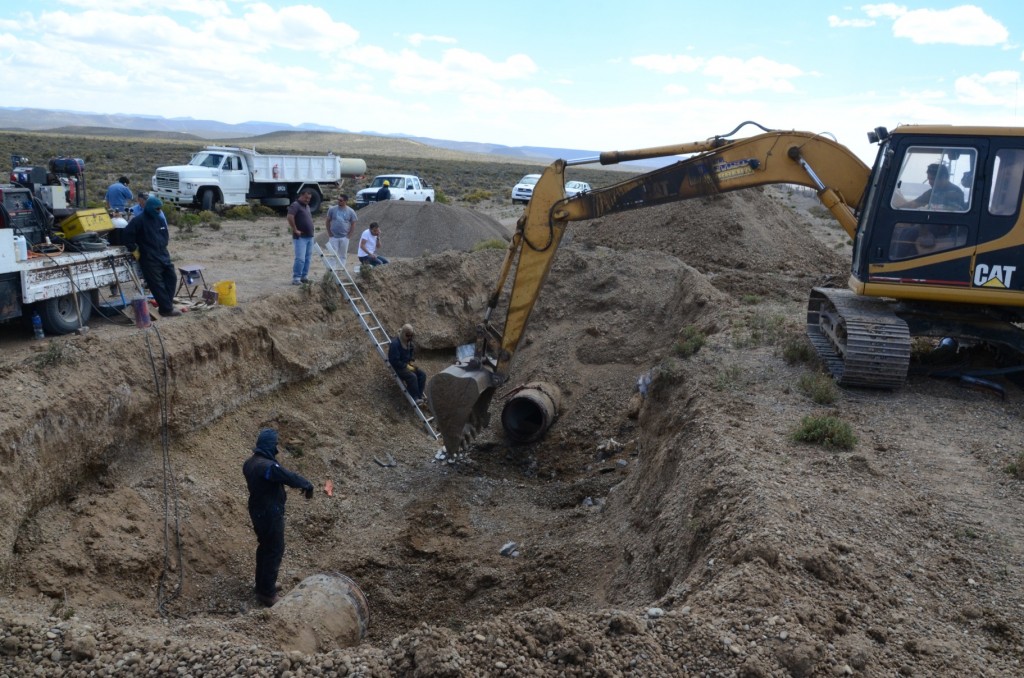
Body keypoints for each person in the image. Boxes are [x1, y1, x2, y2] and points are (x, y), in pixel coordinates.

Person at [242, 428, 314, 607]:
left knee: (265, 547)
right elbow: (286, 476)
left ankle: (262, 585)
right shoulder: (266, 466)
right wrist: (306, 485)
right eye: (275, 445)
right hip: (269, 513)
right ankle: (267, 593)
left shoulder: (249, 463)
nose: (276, 449)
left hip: (258, 511)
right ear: (269, 446)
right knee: (274, 549)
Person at [121, 196, 181, 318]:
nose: (159, 210)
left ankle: (167, 304)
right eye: (157, 208)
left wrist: (163, 247)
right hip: (149, 257)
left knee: (171, 278)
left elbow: (165, 235)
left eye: (160, 208)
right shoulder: (138, 221)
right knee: (157, 284)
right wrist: (135, 250)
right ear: (149, 207)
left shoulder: (160, 219)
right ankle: (166, 309)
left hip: (163, 254)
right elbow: (127, 237)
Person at [897, 163, 965, 211]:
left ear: (944, 177)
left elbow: (951, 216)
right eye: (928, 179)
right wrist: (895, 209)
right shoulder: (933, 192)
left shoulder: (956, 193)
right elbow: (913, 204)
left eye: (932, 179)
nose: (929, 182)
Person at [388, 324, 427, 403]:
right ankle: (415, 398)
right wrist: (406, 366)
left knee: (422, 374)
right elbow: (394, 361)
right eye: (407, 335)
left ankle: (419, 396)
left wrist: (410, 361)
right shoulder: (395, 344)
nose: (409, 337)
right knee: (413, 377)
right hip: (398, 367)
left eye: (411, 336)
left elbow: (410, 354)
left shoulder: (409, 343)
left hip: (406, 365)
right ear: (403, 333)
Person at [288, 190, 315, 285]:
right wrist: (295, 229)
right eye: (306, 198)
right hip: (301, 237)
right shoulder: (295, 205)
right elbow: (290, 216)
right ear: (301, 195)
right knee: (300, 258)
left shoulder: (306, 206)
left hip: (309, 236)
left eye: (309, 198)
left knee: (308, 258)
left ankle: (304, 276)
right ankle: (296, 278)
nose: (307, 200)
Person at [325, 194, 357, 266]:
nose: (338, 201)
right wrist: (329, 233)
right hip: (333, 237)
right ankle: (332, 271)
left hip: (344, 237)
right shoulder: (332, 209)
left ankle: (341, 270)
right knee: (332, 255)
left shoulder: (351, 211)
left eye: (340, 200)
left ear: (345, 201)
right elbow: (327, 221)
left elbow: (353, 223)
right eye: (338, 200)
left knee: (342, 255)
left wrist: (349, 235)